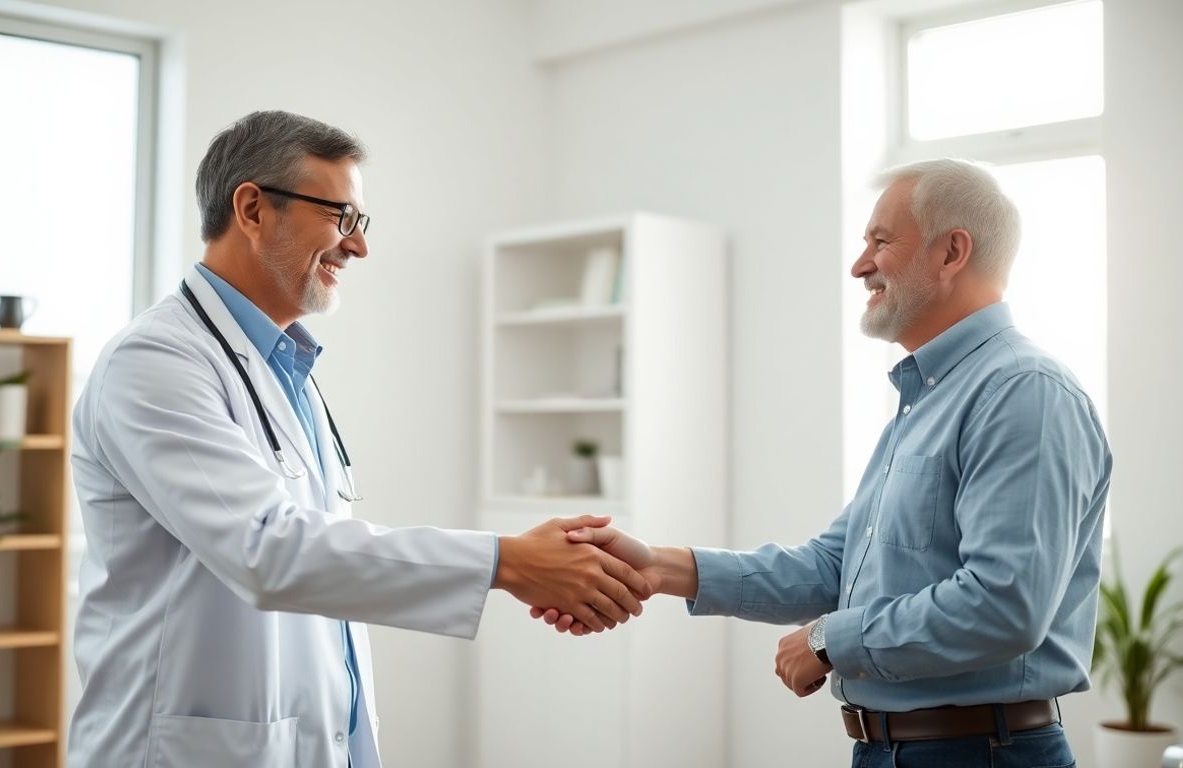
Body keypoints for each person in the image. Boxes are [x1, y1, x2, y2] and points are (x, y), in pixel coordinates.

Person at [68, 109, 652, 768]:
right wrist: (508, 562)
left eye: (360, 222)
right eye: (340, 216)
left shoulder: (285, 367)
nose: (358, 246)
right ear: (253, 209)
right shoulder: (154, 361)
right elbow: (267, 548)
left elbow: (320, 562)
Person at [535, 159, 1112, 767]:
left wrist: (827, 639)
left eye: (880, 241)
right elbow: (835, 567)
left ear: (951, 252)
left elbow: (1004, 605)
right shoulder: (927, 399)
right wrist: (658, 566)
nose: (860, 265)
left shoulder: (1024, 392)